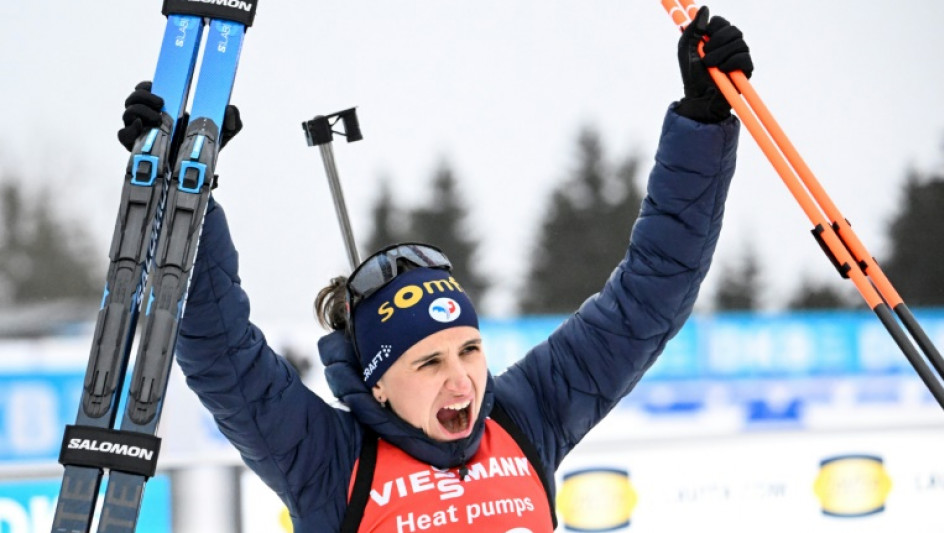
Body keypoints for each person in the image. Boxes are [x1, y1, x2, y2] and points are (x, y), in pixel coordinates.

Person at [119, 6, 753, 532]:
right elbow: (220, 350)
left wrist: (702, 120)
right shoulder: (326, 461)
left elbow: (652, 294)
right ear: (379, 385)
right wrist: (184, 192)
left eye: (468, 350)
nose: (462, 382)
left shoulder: (526, 415)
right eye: (428, 361)